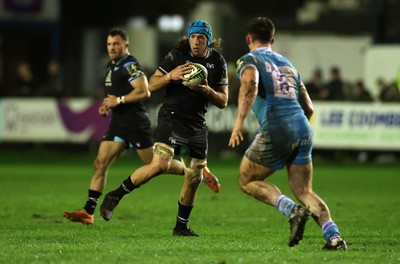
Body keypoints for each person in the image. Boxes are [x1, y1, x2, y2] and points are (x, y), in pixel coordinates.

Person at [62, 27, 220, 225]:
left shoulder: (129, 65)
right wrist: (108, 104)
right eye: (109, 44)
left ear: (125, 45)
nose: (112, 47)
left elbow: (145, 91)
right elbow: (116, 95)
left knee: (158, 166)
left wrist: (118, 101)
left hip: (135, 123)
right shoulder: (111, 66)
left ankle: (199, 171)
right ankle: (88, 211)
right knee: (100, 163)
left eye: (116, 44)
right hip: (118, 123)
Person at [99, 20, 229, 237]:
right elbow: (152, 84)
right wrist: (171, 75)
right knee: (159, 164)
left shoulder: (217, 61)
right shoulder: (177, 55)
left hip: (197, 122)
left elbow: (224, 101)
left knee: (194, 177)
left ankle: (181, 227)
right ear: (188, 37)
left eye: (201, 38)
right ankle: (115, 195)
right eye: (193, 37)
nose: (195, 42)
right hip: (172, 116)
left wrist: (207, 90)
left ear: (208, 40)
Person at [228, 17, 347, 250]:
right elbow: (310, 107)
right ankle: (334, 238)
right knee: (304, 190)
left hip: (276, 126)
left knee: (247, 179)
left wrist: (238, 123)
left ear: (248, 39)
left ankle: (292, 211)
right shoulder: (288, 65)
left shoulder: (249, 59)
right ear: (272, 39)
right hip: (302, 126)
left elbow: (250, 82)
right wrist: (295, 129)